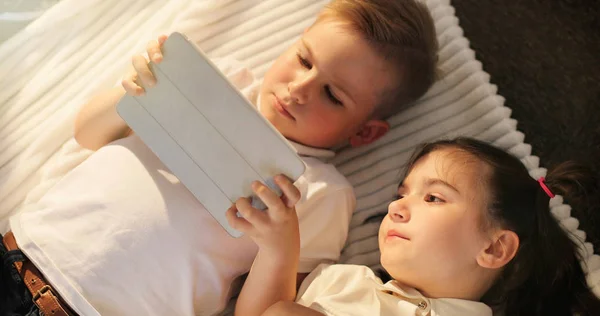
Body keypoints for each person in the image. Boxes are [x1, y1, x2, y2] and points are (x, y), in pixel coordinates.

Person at [0, 0, 438, 315]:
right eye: (304, 60)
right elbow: (88, 134)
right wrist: (131, 90)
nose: (299, 89)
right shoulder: (219, 78)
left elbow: (263, 312)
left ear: (364, 133)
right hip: (24, 247)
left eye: (332, 95)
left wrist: (279, 245)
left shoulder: (324, 194)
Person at [231, 137, 600, 316]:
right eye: (402, 193)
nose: (396, 207)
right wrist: (279, 249)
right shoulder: (341, 279)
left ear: (493, 248)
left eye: (434, 198)